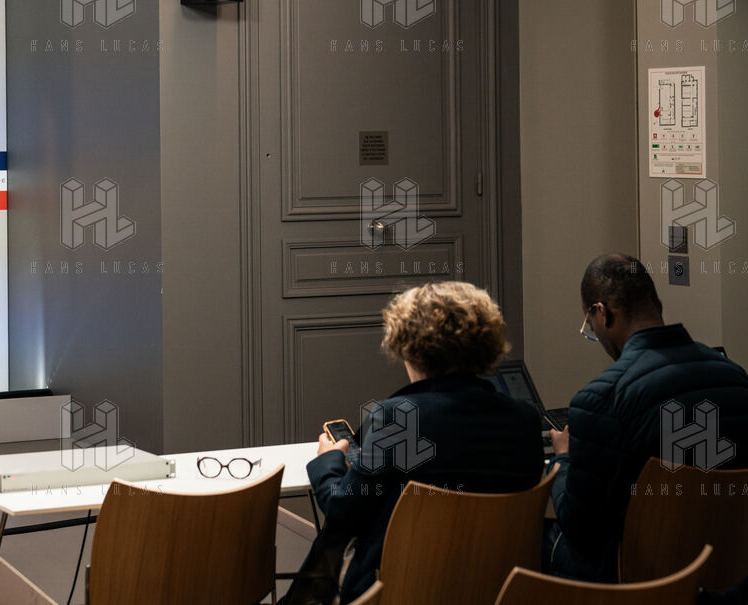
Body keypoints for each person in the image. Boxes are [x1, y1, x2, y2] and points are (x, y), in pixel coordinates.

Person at [294, 282, 545, 604]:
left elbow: (343, 513)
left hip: (396, 592)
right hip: (496, 589)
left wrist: (327, 462)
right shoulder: (524, 420)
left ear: (407, 347)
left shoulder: (397, 419)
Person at [545, 253, 748, 581]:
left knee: (547, 538)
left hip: (641, 581)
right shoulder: (736, 378)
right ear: (657, 304)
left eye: (590, 326)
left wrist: (563, 460)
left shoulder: (601, 398)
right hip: (728, 573)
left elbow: (582, 527)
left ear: (602, 313)